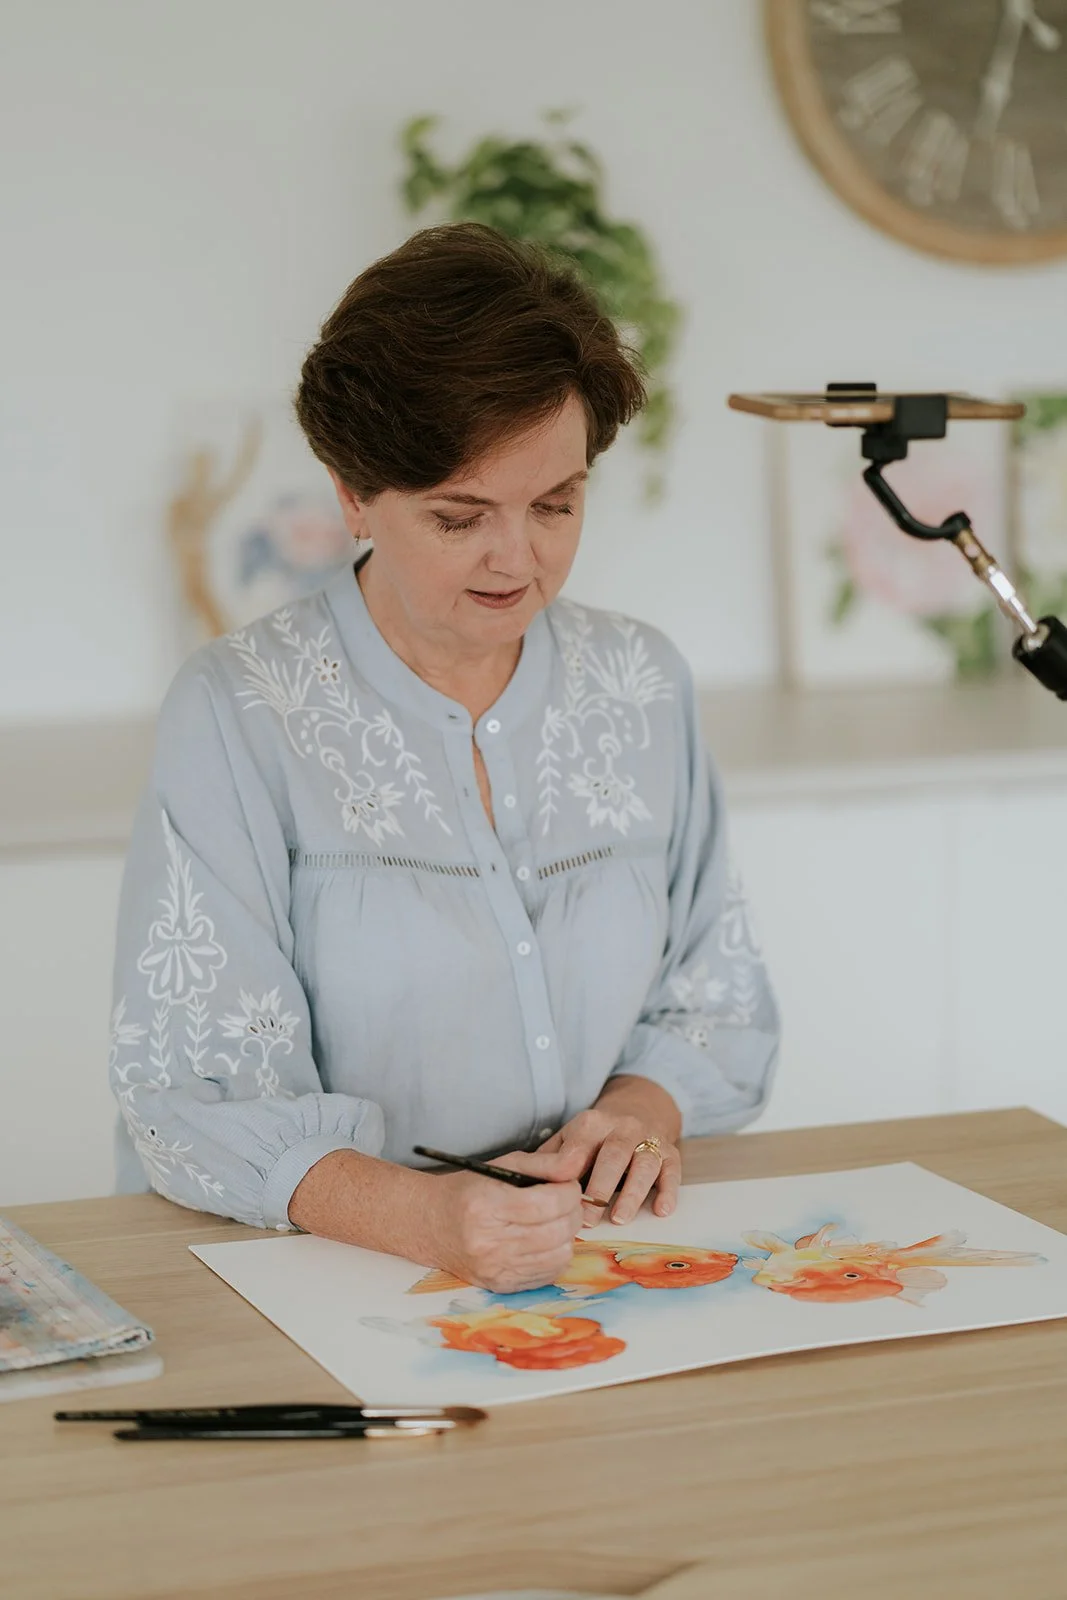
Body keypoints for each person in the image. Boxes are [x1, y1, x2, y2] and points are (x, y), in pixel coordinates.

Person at [110, 223, 779, 1294]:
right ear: (354, 493)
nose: (516, 556)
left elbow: (716, 993)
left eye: (555, 504)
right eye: (459, 516)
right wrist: (422, 1217)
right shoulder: (240, 712)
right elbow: (190, 1097)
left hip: (606, 1273)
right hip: (320, 1289)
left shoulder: (640, 683)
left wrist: (640, 1112)